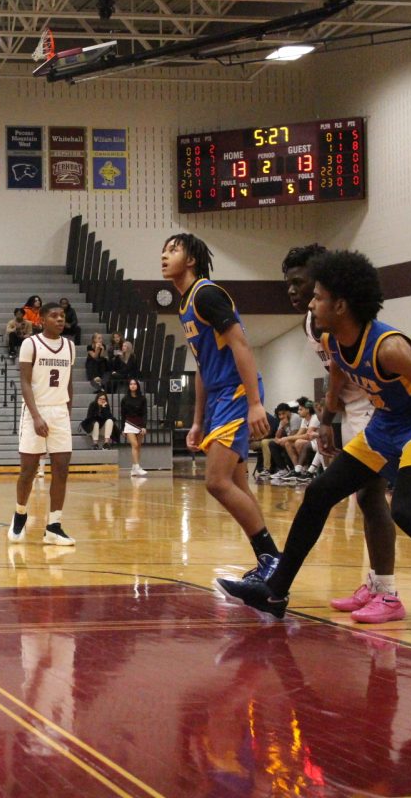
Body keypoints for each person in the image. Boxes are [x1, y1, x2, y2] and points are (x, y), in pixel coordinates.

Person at [215, 249, 411, 640]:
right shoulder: (332, 336)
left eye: (318, 297)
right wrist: (326, 421)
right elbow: (338, 376)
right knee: (320, 491)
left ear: (340, 304)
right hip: (385, 425)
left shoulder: (389, 347)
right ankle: (275, 591)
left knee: (407, 511)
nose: (312, 303)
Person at [281, 243, 402, 621]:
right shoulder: (311, 324)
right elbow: (335, 375)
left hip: (378, 406)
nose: (293, 292)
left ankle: (387, 591)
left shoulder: (351, 321)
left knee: (370, 496)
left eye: (300, 283)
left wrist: (327, 420)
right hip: (351, 409)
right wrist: (328, 421)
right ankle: (378, 586)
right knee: (366, 499)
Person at [164, 233, 278, 576]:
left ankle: (273, 559)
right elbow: (201, 365)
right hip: (218, 397)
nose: (164, 256)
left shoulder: (207, 294)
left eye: (173, 250)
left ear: (192, 259)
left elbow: (242, 345)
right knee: (239, 486)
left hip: (236, 393)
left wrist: (256, 403)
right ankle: (268, 564)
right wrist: (197, 421)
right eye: (164, 250)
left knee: (216, 482)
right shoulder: (184, 305)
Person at [7, 303, 76, 547]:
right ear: (42, 320)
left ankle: (54, 526)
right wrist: (36, 416)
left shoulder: (69, 345)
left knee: (62, 470)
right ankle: (20, 513)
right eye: (54, 316)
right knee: (27, 470)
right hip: (35, 411)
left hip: (59, 412)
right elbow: (25, 382)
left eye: (62, 316)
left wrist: (66, 413)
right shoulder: (31, 344)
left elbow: (68, 383)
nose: (60, 319)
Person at [121, 378, 148, 476]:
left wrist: (144, 426)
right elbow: (123, 414)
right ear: (128, 386)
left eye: (134, 384)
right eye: (131, 384)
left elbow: (145, 413)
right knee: (135, 445)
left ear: (137, 386)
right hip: (129, 423)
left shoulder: (143, 398)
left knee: (138, 447)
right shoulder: (124, 399)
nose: (133, 385)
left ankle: (134, 468)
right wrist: (123, 428)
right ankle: (137, 467)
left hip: (140, 424)